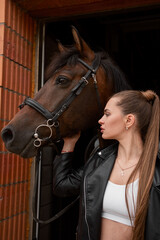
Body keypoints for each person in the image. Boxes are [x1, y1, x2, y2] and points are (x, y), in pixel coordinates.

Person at [52, 90, 160, 240]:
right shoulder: (98, 162)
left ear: (129, 120)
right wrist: (69, 144)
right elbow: (62, 186)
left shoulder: (156, 170)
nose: (100, 120)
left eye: (107, 114)